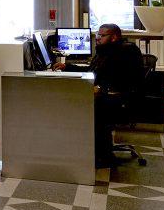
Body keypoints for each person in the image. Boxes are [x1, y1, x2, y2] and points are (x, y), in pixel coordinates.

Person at [55, 23, 143, 165]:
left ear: (114, 37)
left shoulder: (125, 52)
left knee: (91, 107)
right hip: (107, 96)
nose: (98, 39)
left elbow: (124, 81)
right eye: (97, 35)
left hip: (119, 101)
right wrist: (67, 67)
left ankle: (103, 156)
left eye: (102, 36)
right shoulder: (105, 51)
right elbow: (92, 71)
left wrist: (101, 88)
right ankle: (92, 149)